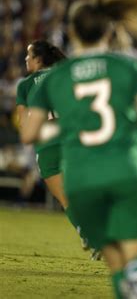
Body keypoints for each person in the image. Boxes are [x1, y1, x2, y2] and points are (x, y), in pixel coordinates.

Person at [20, 0, 137, 298]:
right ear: (108, 31)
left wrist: (64, 129)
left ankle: (130, 286)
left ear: (72, 34)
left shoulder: (56, 77)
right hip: (125, 170)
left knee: (115, 262)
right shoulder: (127, 66)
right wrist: (128, 116)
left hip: (80, 178)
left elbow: (28, 133)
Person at [15, 40, 96, 253]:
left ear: (38, 60)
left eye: (29, 56)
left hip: (47, 147)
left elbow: (24, 127)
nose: (25, 59)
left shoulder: (25, 85)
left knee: (66, 200)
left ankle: (87, 234)